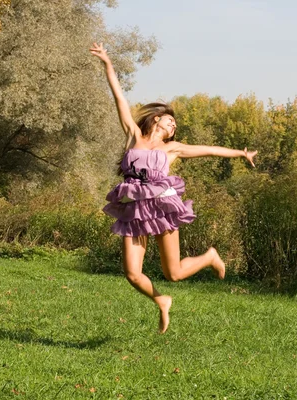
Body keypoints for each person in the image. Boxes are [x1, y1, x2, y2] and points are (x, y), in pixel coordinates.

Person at [90, 42, 257, 333]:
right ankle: (161, 300)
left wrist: (240, 154)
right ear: (157, 119)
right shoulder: (133, 136)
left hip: (163, 207)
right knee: (131, 273)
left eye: (175, 125)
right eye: (171, 121)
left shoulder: (174, 148)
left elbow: (210, 150)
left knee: (174, 272)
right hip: (133, 208)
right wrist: (107, 64)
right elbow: (119, 96)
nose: (173, 126)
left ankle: (210, 257)